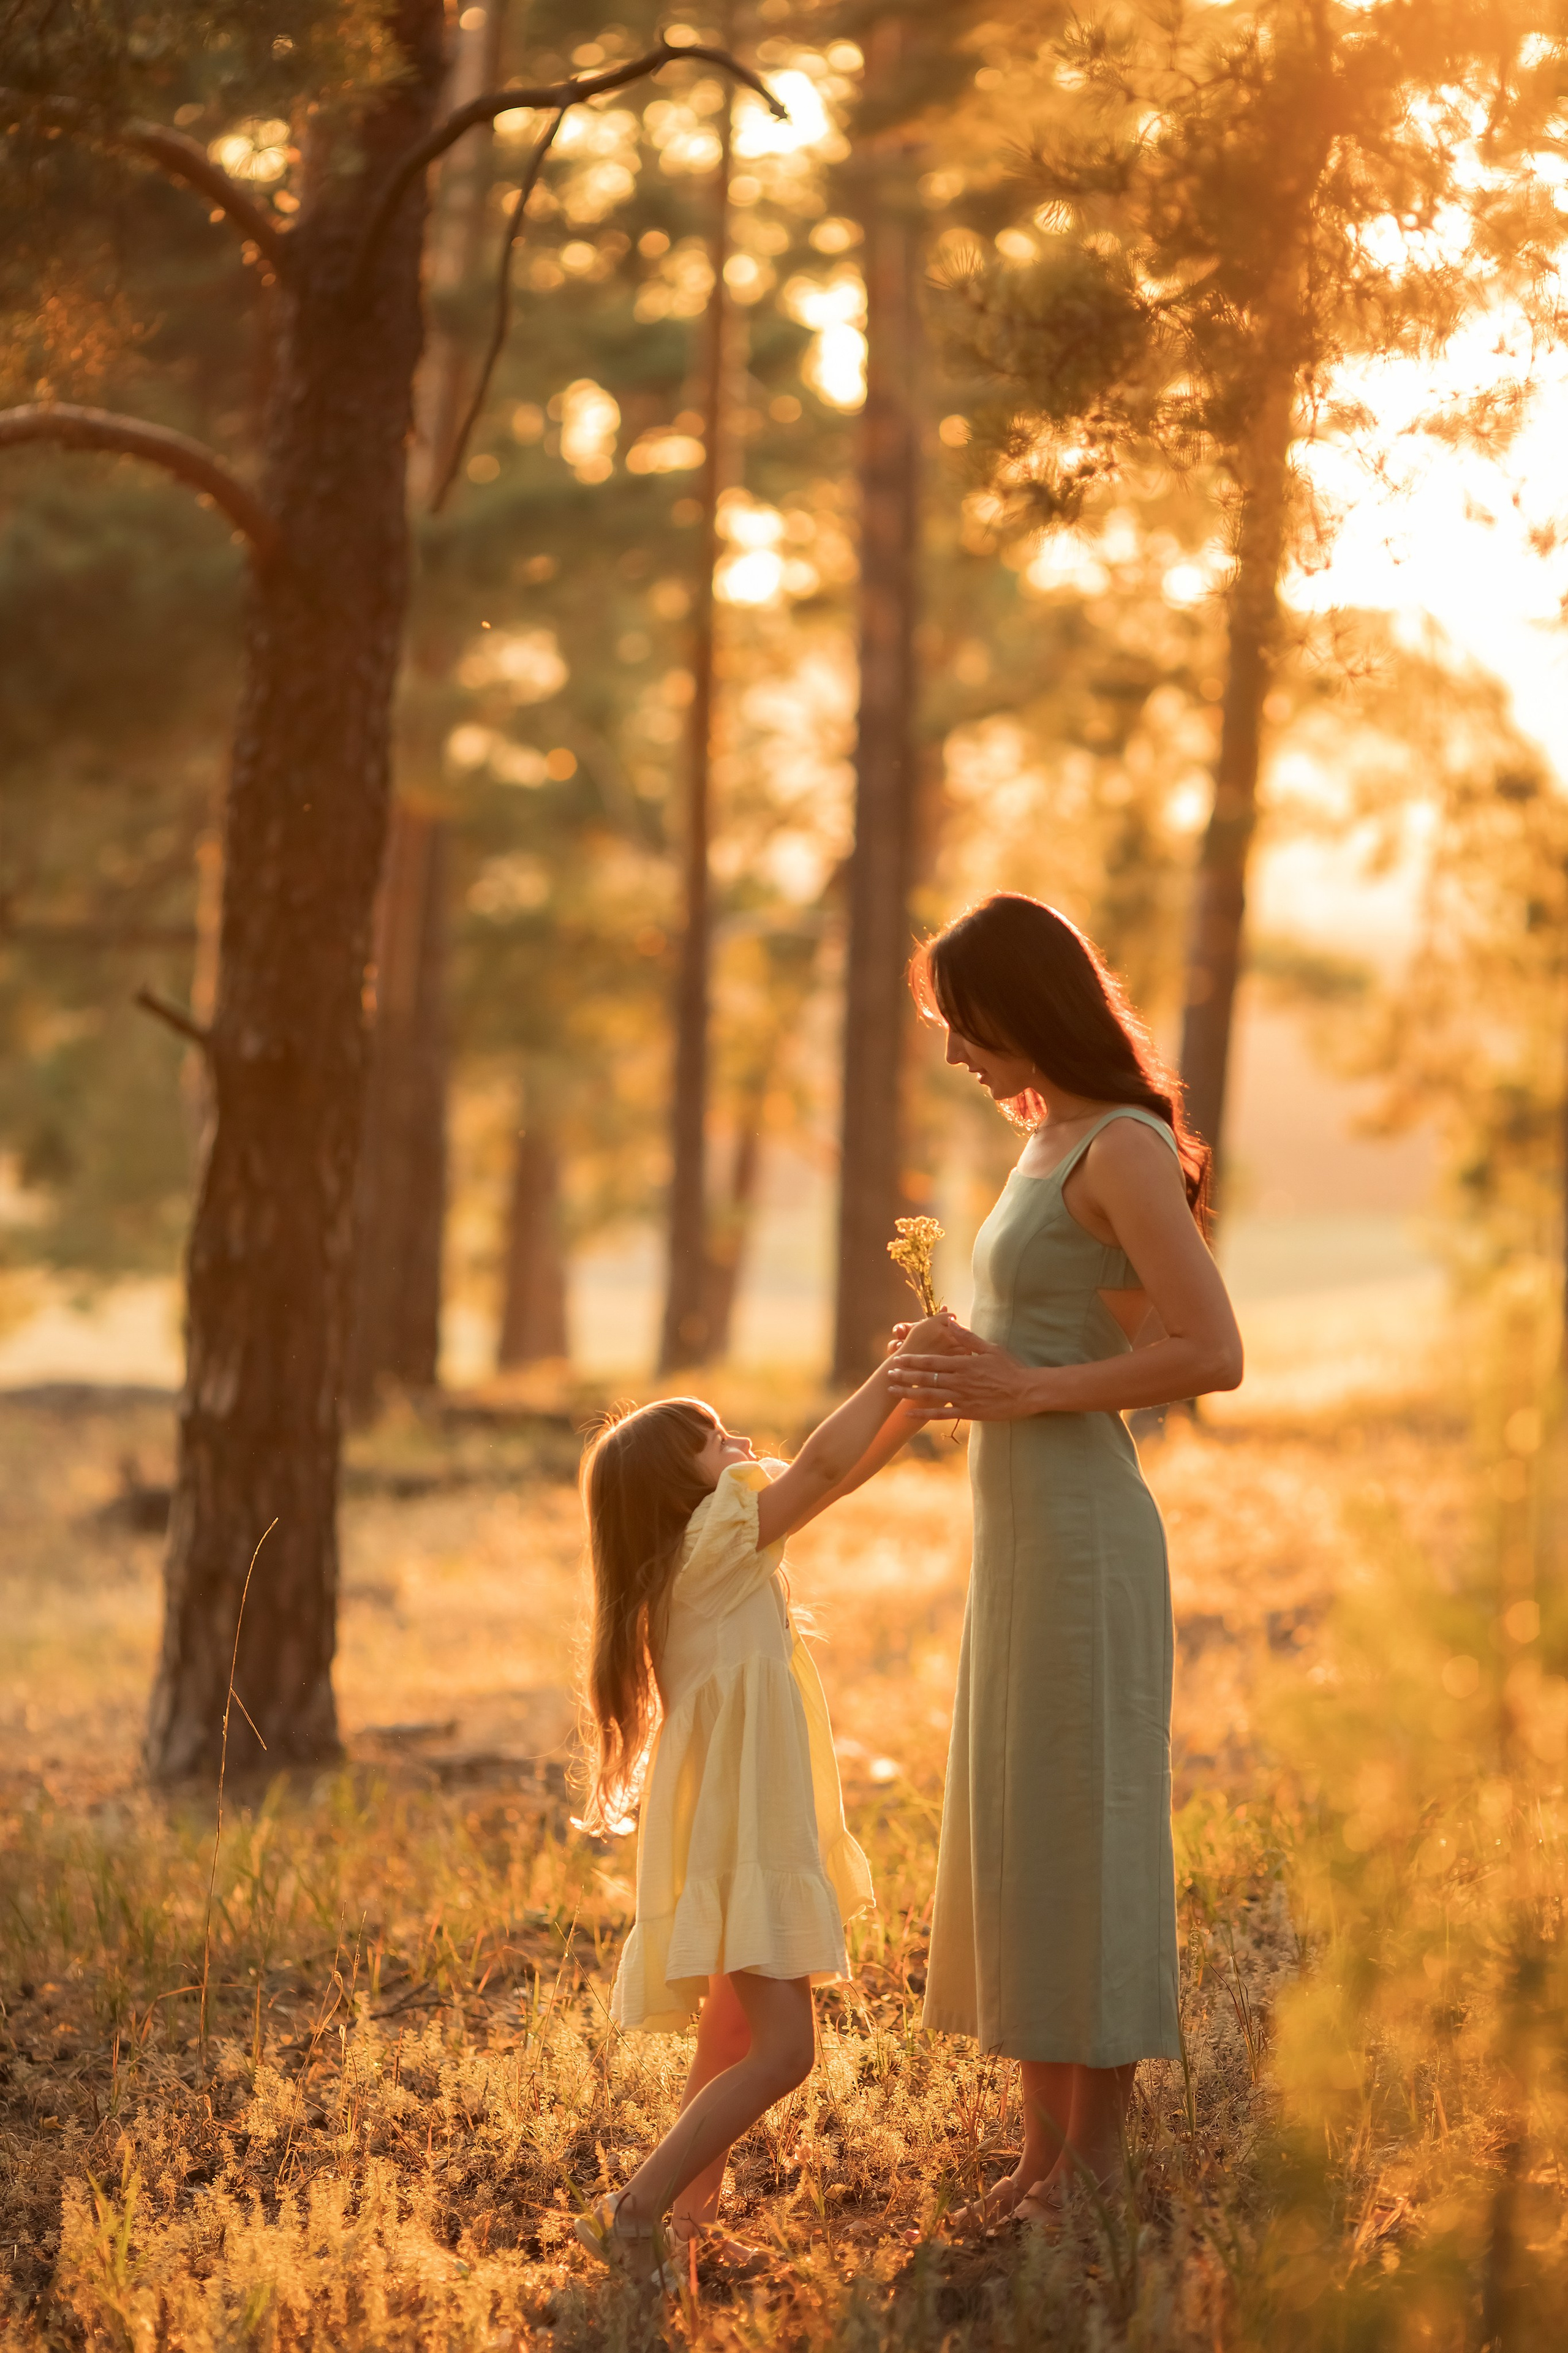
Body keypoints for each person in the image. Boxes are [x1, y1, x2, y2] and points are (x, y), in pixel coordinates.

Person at [883, 892, 1243, 2222]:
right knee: (1027, 1829)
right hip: (1017, 1531)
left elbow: (1209, 1350)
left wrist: (1022, 1387)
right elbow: (1062, 1324)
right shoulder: (1046, 1140)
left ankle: (1093, 2170)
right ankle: (1042, 2156)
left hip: (1085, 1531)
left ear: (1017, 1009)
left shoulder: (1123, 1147)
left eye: (958, 1025)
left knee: (1081, 1828)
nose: (949, 1055)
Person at [573, 1339, 945, 2284]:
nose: (740, 1440)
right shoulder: (717, 1542)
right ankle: (637, 2207)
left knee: (733, 2036)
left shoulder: (693, 1559)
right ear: (680, 1489)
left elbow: (834, 1479)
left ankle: (688, 2228)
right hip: (747, 1837)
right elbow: (820, 1465)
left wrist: (914, 1406)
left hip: (736, 1833)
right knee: (784, 2052)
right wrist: (894, 1379)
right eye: (715, 1438)